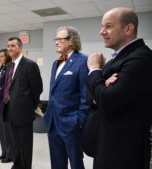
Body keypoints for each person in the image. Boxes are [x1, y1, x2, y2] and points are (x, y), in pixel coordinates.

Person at [84, 7, 152, 169]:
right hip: (107, 145)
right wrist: (101, 84)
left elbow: (106, 99)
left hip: (122, 152)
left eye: (108, 26)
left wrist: (94, 70)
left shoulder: (141, 57)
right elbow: (93, 96)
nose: (102, 32)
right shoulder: (120, 58)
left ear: (128, 28)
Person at [43, 26, 90, 169]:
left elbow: (86, 96)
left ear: (71, 41)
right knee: (56, 162)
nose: (56, 42)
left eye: (60, 39)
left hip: (71, 124)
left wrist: (78, 121)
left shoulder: (83, 61)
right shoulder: (56, 63)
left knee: (76, 163)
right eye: (55, 39)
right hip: (53, 123)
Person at [2, 37, 43, 169]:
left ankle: (25, 166)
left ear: (20, 48)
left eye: (13, 46)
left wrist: (29, 107)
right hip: (9, 112)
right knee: (14, 143)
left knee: (25, 145)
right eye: (8, 46)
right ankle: (17, 164)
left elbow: (37, 88)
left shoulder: (30, 65)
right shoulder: (8, 66)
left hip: (24, 113)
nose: (10, 48)